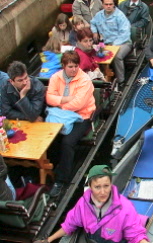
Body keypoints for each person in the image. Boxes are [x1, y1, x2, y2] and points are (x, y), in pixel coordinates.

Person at [34, 165, 149, 243]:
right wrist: (48, 240)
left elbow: (136, 236)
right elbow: (70, 225)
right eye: (97, 187)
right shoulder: (83, 203)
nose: (103, 192)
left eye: (106, 186)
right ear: (90, 186)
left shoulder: (125, 208)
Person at [46, 51, 95, 198]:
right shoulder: (56, 77)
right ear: (63, 66)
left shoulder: (85, 80)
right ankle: (52, 165)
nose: (74, 69)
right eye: (70, 67)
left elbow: (79, 104)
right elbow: (49, 98)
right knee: (51, 137)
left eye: (76, 66)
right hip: (62, 116)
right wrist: (65, 99)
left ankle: (61, 181)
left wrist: (59, 103)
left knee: (68, 142)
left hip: (82, 116)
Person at [90, 0, 132, 84]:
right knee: (95, 56)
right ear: (103, 5)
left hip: (123, 43)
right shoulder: (99, 15)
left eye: (110, 4)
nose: (108, 6)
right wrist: (94, 32)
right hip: (105, 43)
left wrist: (114, 45)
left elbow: (125, 33)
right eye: (106, 4)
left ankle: (121, 80)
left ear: (114, 5)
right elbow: (92, 23)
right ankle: (102, 77)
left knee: (117, 56)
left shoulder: (120, 16)